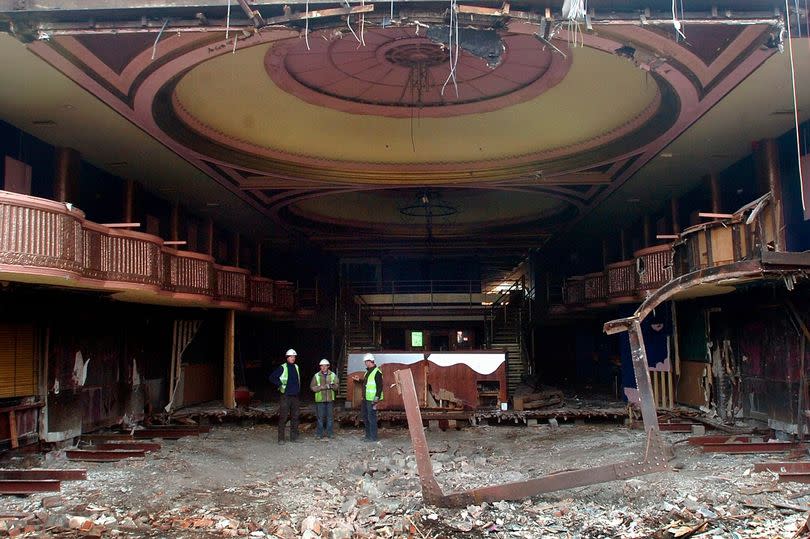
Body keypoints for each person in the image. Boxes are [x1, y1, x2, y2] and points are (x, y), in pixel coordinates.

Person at [270, 348, 301, 444]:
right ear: (287, 357)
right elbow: (272, 377)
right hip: (286, 396)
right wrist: (280, 384)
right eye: (291, 356)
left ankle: (294, 437)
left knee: (295, 417)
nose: (293, 358)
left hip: (295, 396)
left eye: (294, 357)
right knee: (283, 417)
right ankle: (281, 439)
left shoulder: (296, 367)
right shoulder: (282, 367)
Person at [352, 352, 383, 442]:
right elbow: (367, 383)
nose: (365, 363)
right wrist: (359, 380)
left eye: (366, 361)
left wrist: (376, 398)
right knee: (365, 417)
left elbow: (380, 386)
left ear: (370, 361)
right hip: (365, 399)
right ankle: (368, 436)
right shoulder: (368, 372)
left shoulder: (377, 373)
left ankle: (373, 437)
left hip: (372, 400)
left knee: (371, 418)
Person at [310, 358, 338, 439]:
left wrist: (330, 386)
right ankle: (319, 434)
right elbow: (312, 387)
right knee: (320, 418)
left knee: (330, 418)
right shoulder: (316, 376)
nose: (323, 367)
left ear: (328, 366)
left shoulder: (332, 375)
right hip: (320, 400)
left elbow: (336, 387)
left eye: (325, 366)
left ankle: (330, 434)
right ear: (320, 367)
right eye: (321, 366)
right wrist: (323, 387)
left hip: (329, 400)